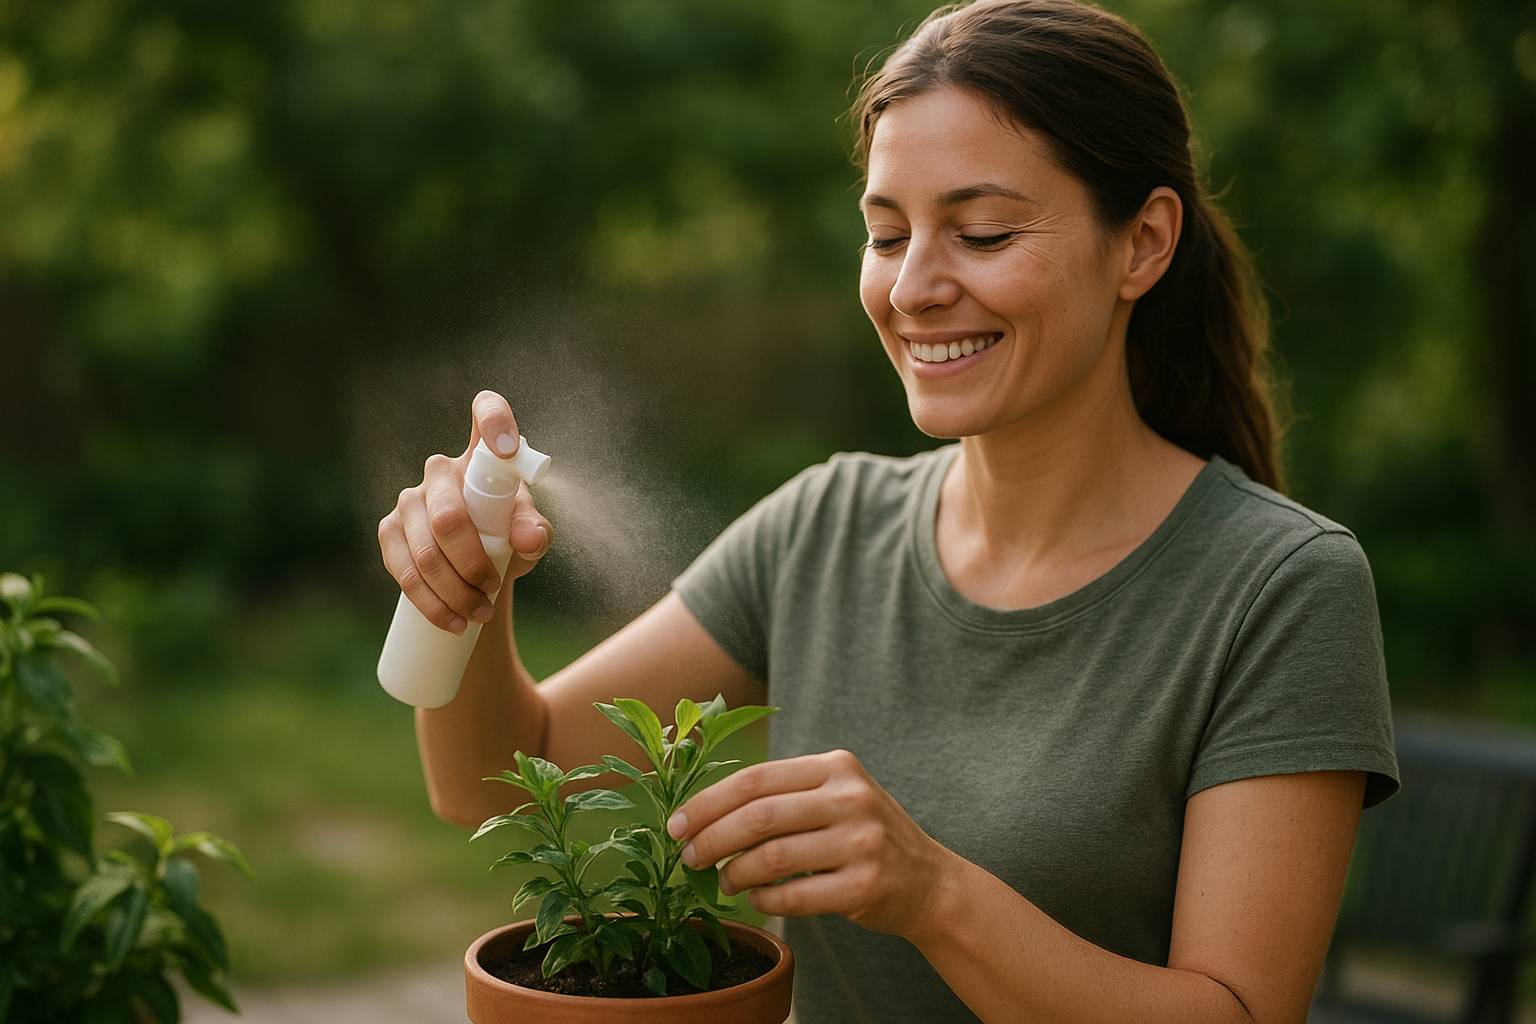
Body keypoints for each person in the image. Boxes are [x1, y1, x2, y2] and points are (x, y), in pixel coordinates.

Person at [375, 1, 1400, 1020]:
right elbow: (505, 781)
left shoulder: (1278, 586)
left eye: (982, 232)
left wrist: (931, 892)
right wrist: (459, 598)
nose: (912, 287)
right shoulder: (828, 527)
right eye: (886, 232)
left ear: (1142, 243)